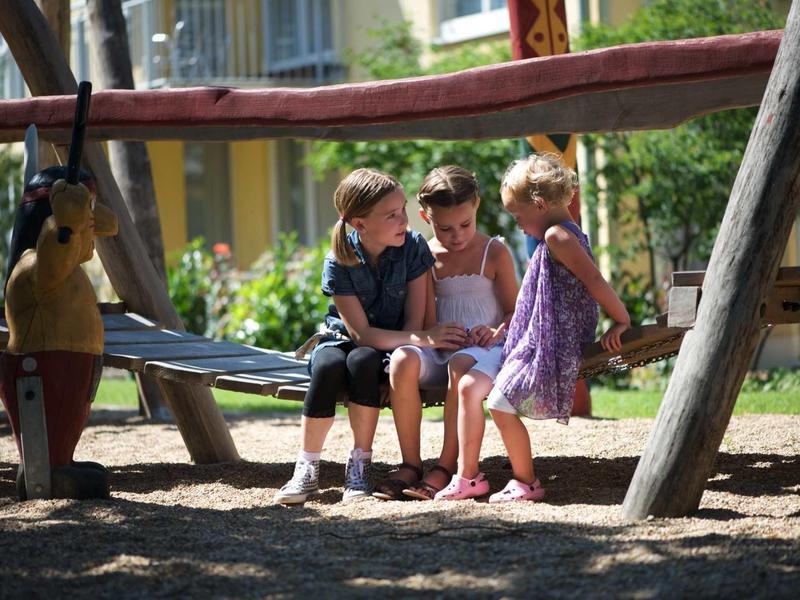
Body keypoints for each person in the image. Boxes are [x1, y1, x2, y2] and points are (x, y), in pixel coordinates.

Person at [274, 168, 466, 505]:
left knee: (364, 362)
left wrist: (413, 345)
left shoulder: (412, 248)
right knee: (328, 365)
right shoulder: (338, 260)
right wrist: (427, 338)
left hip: (388, 347)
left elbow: (412, 323)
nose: (403, 221)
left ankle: (359, 468)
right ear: (360, 224)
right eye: (391, 215)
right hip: (342, 338)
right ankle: (306, 468)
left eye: (402, 210)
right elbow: (360, 334)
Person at [480, 153, 630, 503]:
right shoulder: (562, 232)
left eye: (519, 217)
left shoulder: (557, 236)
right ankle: (524, 480)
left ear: (540, 203)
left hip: (557, 339)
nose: (518, 226)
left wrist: (621, 318)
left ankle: (526, 482)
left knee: (500, 403)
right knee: (499, 402)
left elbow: (594, 279)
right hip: (549, 331)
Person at [376, 166, 518, 501]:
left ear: (477, 207)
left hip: (485, 351)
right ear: (426, 216)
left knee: (459, 364)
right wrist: (432, 335)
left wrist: (496, 330)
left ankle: (445, 464)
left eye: (465, 225)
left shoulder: (493, 252)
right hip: (441, 348)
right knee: (402, 360)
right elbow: (421, 320)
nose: (456, 235)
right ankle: (411, 463)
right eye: (445, 228)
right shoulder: (425, 255)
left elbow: (516, 312)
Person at [1, 166, 118, 500]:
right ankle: (45, 473)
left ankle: (57, 461)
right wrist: (66, 224)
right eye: (85, 213)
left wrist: (82, 218)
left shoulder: (67, 271)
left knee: (65, 426)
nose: (91, 226)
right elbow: (55, 255)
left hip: (68, 367)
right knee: (51, 423)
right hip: (42, 370)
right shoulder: (34, 265)